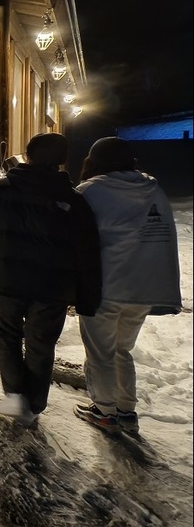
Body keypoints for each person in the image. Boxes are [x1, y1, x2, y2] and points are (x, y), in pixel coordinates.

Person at [0, 133, 102, 426]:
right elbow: (88, 252)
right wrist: (88, 297)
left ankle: (14, 394)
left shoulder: (1, 190)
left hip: (5, 280)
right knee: (41, 343)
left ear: (27, 155)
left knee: (7, 335)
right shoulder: (73, 199)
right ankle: (34, 403)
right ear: (62, 160)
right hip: (52, 288)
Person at [72, 137, 182, 435]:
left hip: (106, 287)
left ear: (94, 161)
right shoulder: (152, 190)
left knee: (101, 353)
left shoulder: (91, 191)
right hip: (144, 287)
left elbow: (73, 237)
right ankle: (126, 411)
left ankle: (105, 411)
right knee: (122, 350)